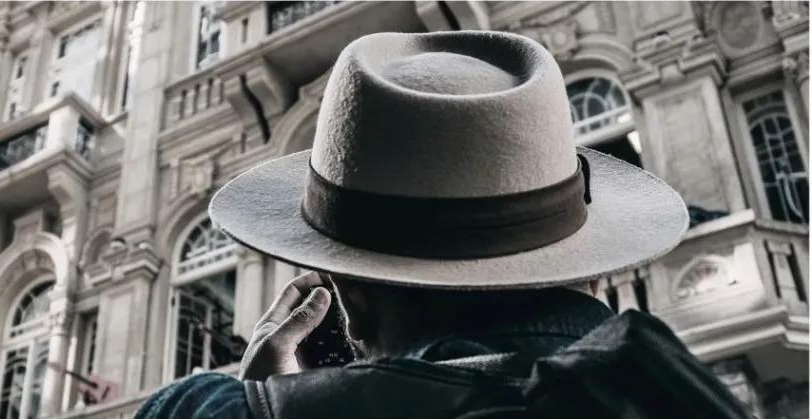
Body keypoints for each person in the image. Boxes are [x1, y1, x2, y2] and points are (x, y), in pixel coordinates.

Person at [136, 31, 750, 419]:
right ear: (591, 271)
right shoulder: (682, 397)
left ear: (351, 302)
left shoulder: (204, 410)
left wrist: (270, 407)